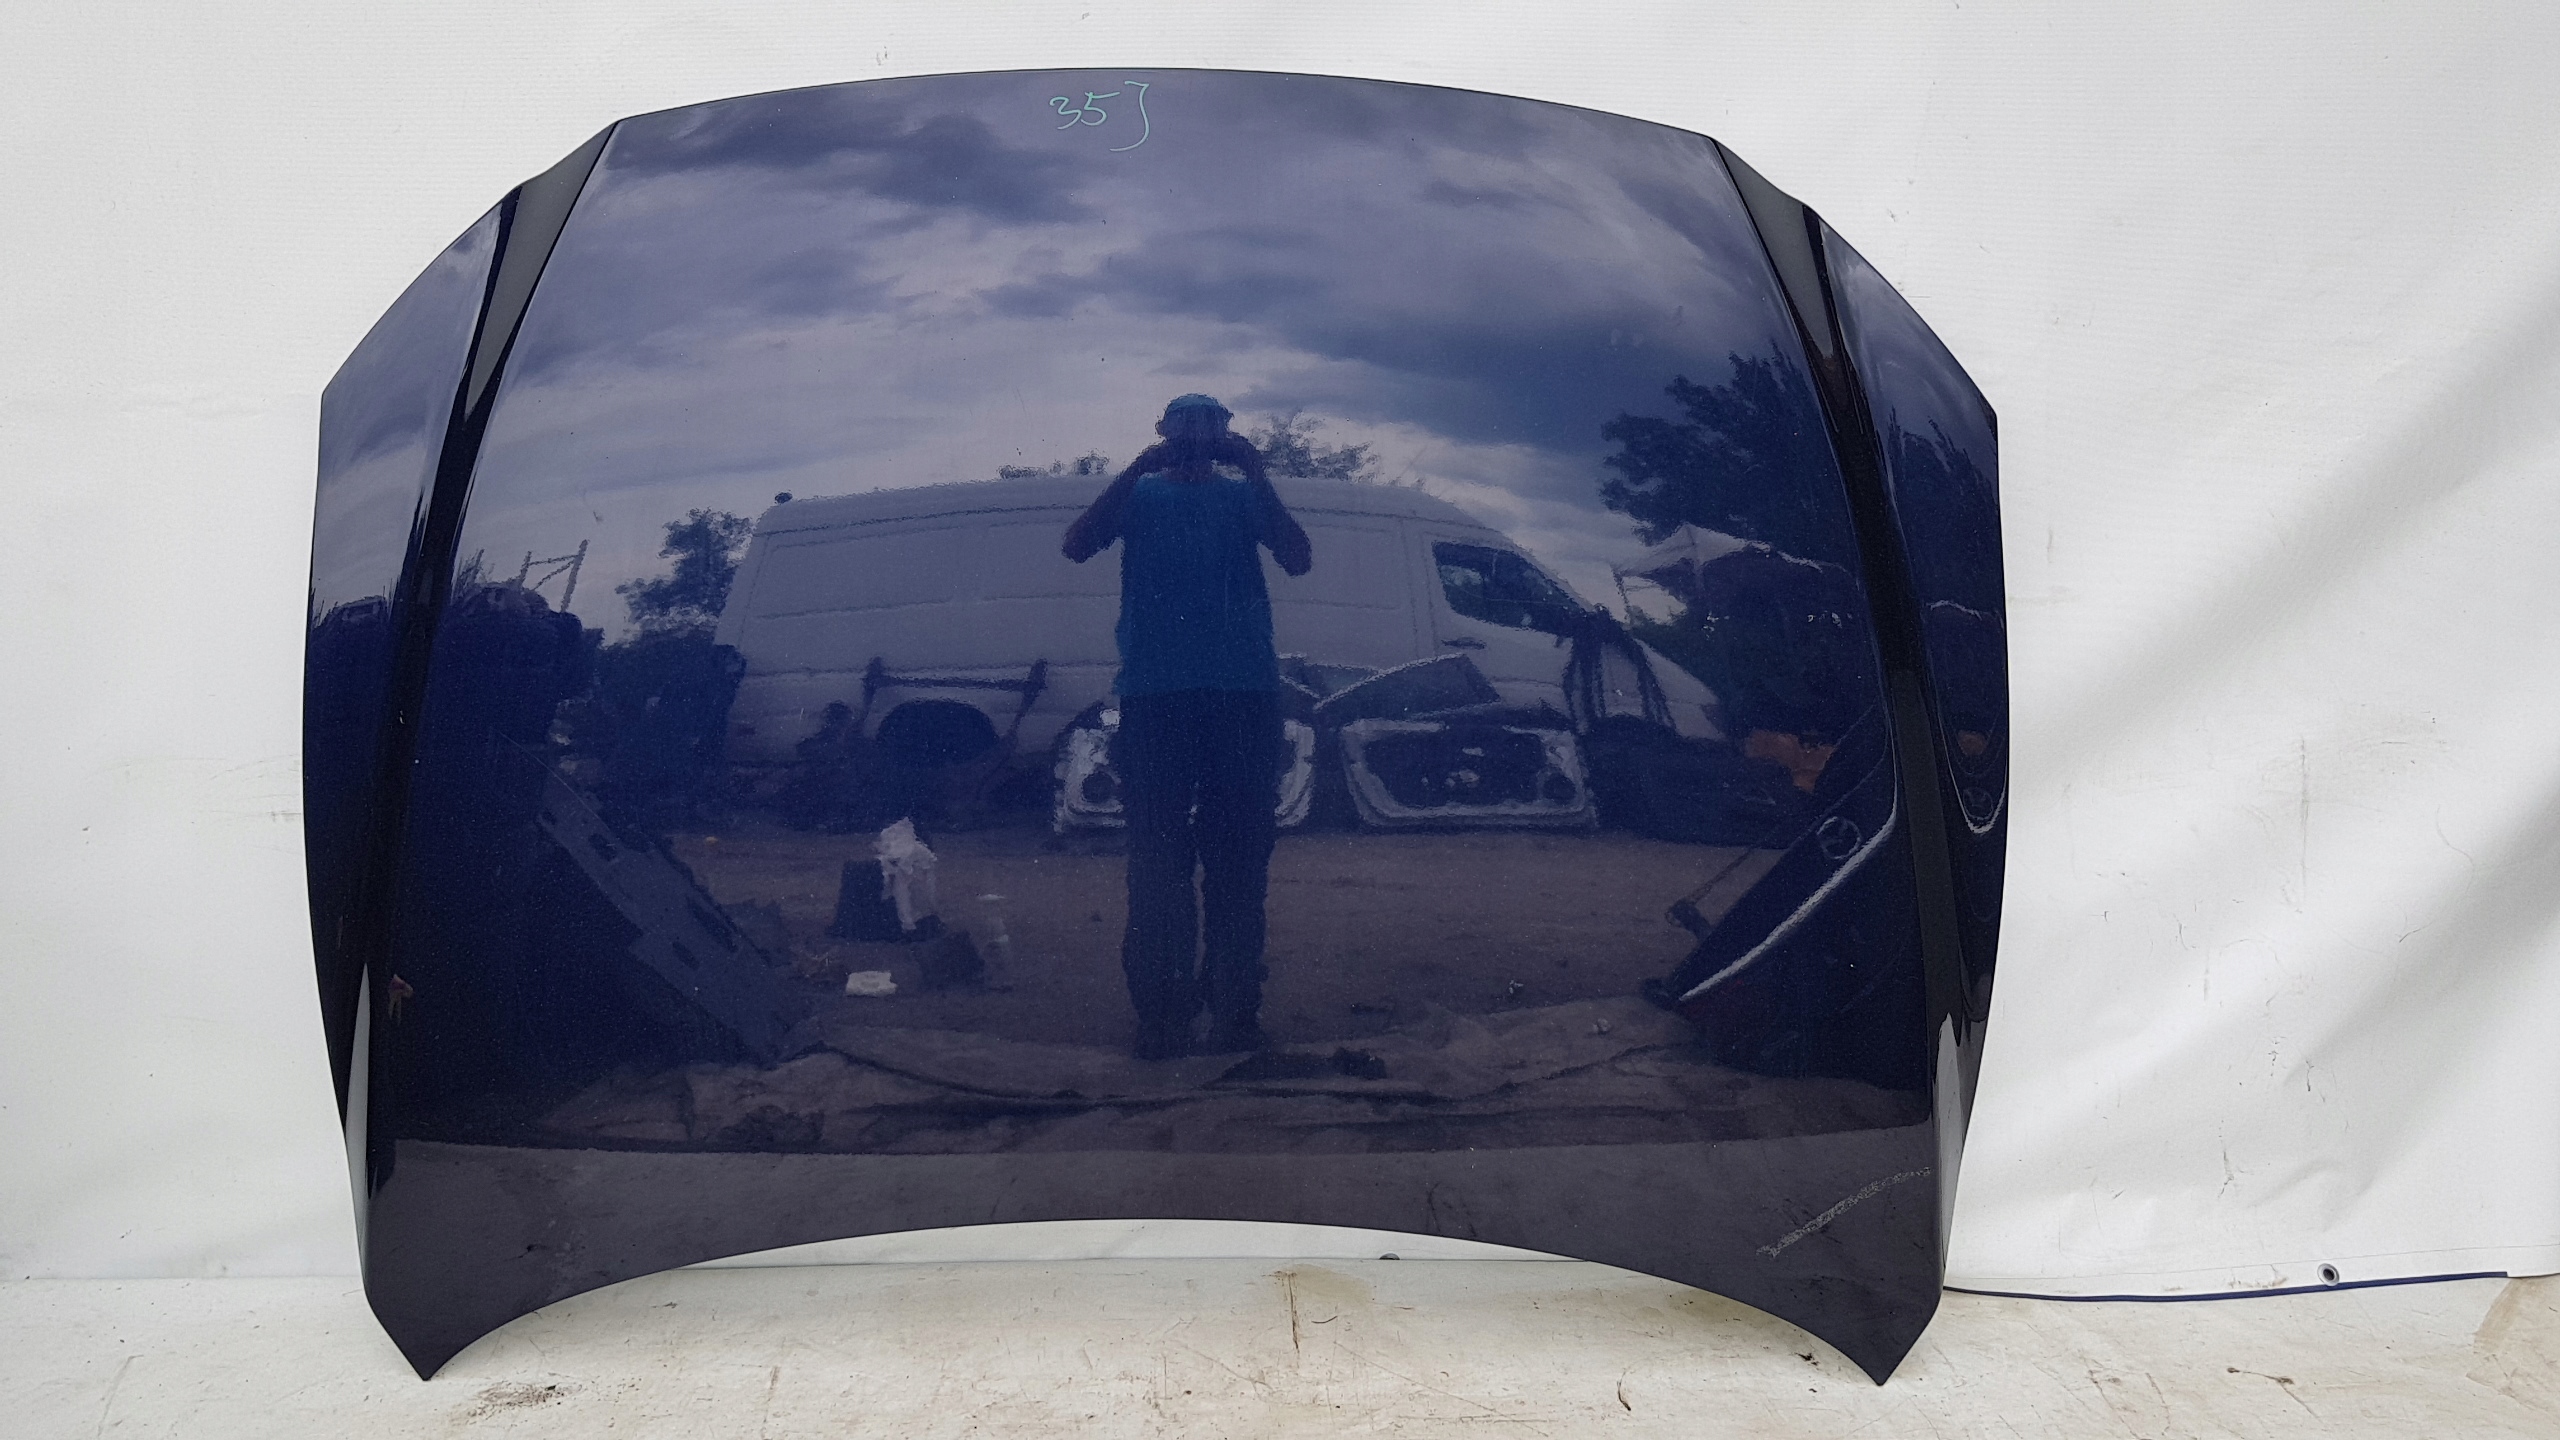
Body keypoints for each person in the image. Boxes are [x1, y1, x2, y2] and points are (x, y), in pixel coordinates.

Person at [1062, 394, 1313, 1060]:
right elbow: (1077, 546)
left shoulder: (1244, 496)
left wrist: (1257, 471)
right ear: (1162, 434)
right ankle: (1163, 1017)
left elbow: (1297, 558)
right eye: (1184, 428)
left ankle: (1234, 1014)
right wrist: (1135, 469)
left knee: (1239, 862)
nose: (1197, 438)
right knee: (1157, 861)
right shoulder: (1140, 495)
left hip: (1242, 696)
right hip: (1157, 696)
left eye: (1210, 428)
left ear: (1227, 436)